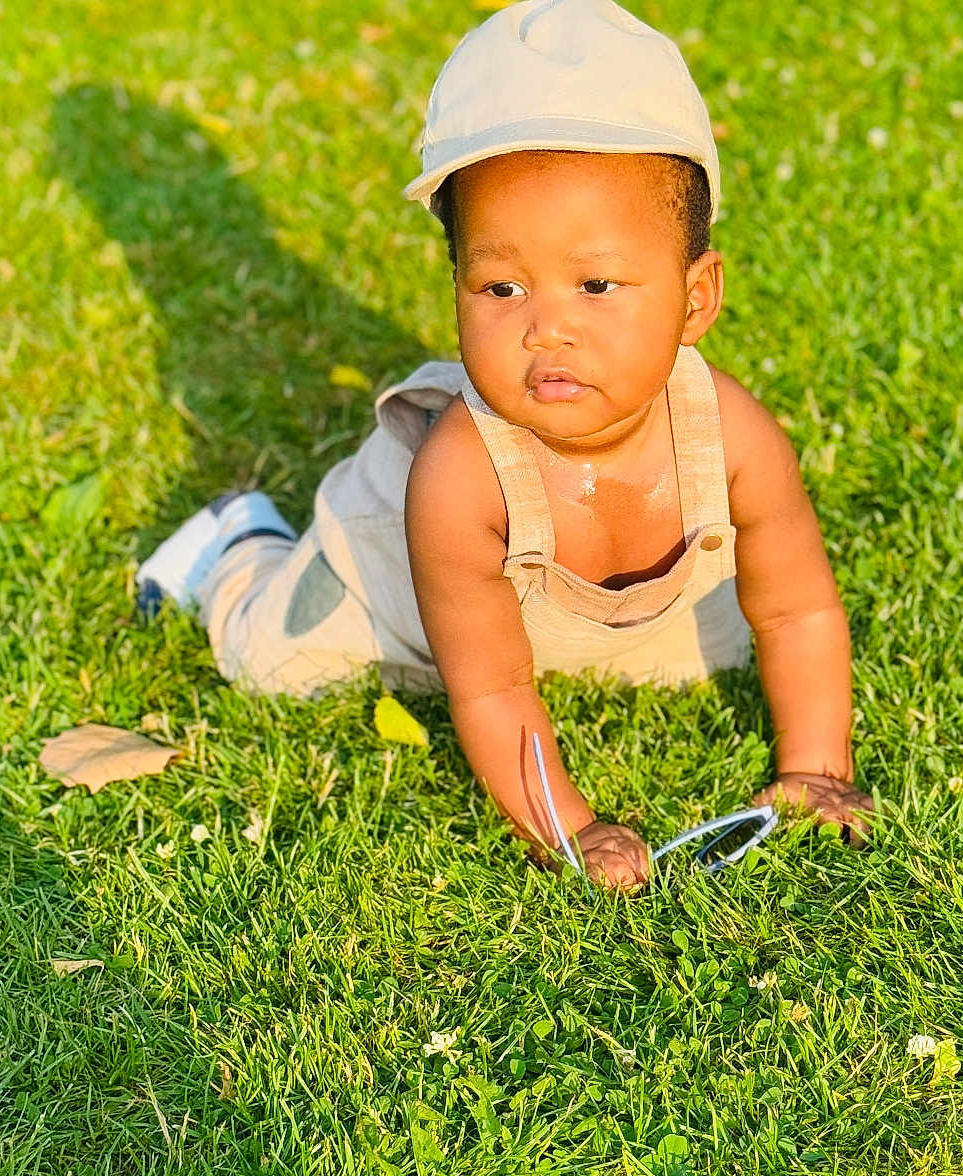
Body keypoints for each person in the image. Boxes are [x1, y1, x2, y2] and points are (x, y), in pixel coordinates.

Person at [136, 0, 874, 889]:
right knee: (275, 660)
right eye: (501, 286)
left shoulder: (732, 438)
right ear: (456, 283)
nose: (545, 329)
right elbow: (487, 689)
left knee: (730, 649)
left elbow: (798, 611)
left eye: (596, 283)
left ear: (695, 297)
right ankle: (236, 547)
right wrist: (569, 829)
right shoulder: (462, 475)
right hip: (410, 578)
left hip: (609, 606)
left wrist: (816, 770)